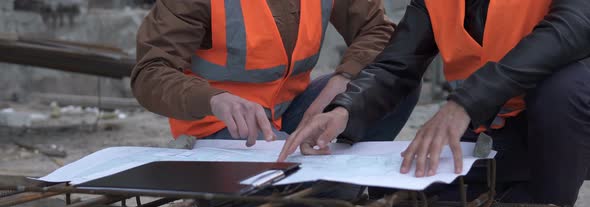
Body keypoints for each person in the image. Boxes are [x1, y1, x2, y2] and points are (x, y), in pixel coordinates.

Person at [279, 0, 590, 207]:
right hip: (501, 119)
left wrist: (465, 104)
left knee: (561, 93)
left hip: (571, 116)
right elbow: (397, 65)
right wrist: (344, 110)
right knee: (405, 186)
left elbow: (571, 28)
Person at [131, 0, 419, 147]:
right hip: (218, 126)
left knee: (391, 85)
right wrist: (215, 100)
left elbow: (377, 29)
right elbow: (150, 72)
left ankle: (328, 190)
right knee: (303, 180)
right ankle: (222, 202)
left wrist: (345, 80)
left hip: (289, 112)